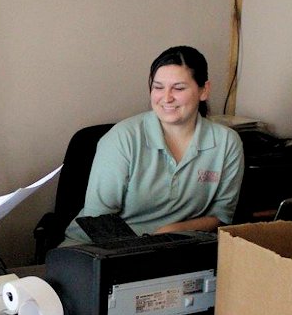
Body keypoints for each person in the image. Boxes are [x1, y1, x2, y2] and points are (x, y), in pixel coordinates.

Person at [62, 45, 244, 245]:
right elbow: (98, 220)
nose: (166, 98)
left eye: (179, 88)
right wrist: (141, 254)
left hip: (176, 246)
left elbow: (222, 215)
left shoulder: (227, 143)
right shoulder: (122, 139)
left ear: (204, 90)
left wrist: (172, 231)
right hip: (100, 247)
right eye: (158, 87)